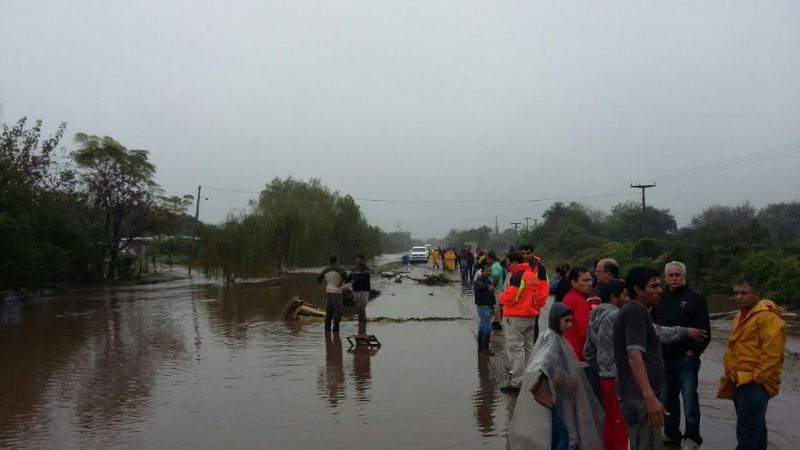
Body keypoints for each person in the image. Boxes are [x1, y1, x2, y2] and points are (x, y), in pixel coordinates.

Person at [585, 279, 707, 450]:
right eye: (625, 295)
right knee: (624, 432)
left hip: (605, 378)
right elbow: (656, 333)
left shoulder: (595, 316)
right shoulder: (620, 315)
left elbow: (589, 352)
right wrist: (685, 331)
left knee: (611, 425)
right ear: (614, 298)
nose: (628, 299)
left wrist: (602, 368)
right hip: (621, 380)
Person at [508, 302, 604, 450]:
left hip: (557, 394)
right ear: (556, 319)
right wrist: (562, 376)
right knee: (568, 435)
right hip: (559, 395)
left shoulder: (552, 337)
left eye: (571, 321)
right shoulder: (554, 340)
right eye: (566, 321)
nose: (570, 325)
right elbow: (544, 363)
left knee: (557, 433)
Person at [718, 278, 786, 450]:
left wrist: (756, 378)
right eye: (736, 293)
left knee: (746, 432)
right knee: (756, 428)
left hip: (753, 382)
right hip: (739, 380)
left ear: (756, 295)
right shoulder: (740, 315)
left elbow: (773, 354)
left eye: (744, 293)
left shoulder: (767, 317)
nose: (739, 297)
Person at [651, 261, 711, 450]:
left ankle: (692, 438)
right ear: (665, 277)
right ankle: (671, 433)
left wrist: (693, 351)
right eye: (671, 275)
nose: (674, 278)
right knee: (667, 398)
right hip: (664, 357)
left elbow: (704, 331)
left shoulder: (695, 298)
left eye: (678, 274)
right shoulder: (659, 297)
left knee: (689, 399)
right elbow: (653, 328)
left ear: (684, 276)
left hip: (686, 358)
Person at [613, 267, 667, 450]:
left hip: (638, 396)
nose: (660, 290)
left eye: (660, 285)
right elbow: (634, 355)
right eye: (654, 286)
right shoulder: (635, 313)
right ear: (637, 289)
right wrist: (649, 397)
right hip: (639, 398)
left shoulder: (637, 312)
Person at [497, 251, 538, 393]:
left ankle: (517, 382)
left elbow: (510, 298)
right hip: (530, 316)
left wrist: (501, 296)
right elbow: (538, 296)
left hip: (516, 317)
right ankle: (530, 378)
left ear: (515, 262)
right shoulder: (532, 275)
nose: (508, 267)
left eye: (509, 264)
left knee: (516, 349)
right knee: (528, 348)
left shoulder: (517, 277)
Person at [561, 267, 593, 362]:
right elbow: (586, 332)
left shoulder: (569, 297)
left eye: (590, 280)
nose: (590, 283)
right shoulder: (580, 302)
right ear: (573, 283)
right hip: (578, 355)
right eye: (585, 280)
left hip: (567, 350)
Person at [519, 244, 549, 342]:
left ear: (532, 253)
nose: (525, 256)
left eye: (528, 253)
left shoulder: (540, 267)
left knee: (533, 329)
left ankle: (534, 347)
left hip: (534, 304)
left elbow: (544, 287)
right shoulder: (516, 265)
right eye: (523, 253)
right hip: (519, 304)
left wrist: (537, 304)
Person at [316, 256, 348, 333]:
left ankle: (327, 330)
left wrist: (323, 286)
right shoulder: (339, 269)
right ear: (337, 261)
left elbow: (318, 279)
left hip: (328, 291)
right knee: (337, 311)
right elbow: (345, 276)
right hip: (337, 292)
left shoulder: (326, 270)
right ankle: (336, 329)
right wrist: (341, 283)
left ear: (330, 261)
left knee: (329, 312)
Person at [473, 264, 496, 355]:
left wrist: (492, 306)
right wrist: (488, 287)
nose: (488, 272)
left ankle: (481, 348)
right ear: (482, 271)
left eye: (490, 271)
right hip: (483, 306)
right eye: (487, 271)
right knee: (487, 327)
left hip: (487, 306)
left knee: (482, 326)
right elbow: (480, 287)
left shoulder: (487, 280)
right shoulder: (480, 280)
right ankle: (485, 349)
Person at [345, 254, 371, 328]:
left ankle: (363, 323)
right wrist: (343, 282)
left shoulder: (366, 268)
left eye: (358, 260)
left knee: (362, 307)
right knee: (358, 307)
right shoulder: (355, 268)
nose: (357, 261)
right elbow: (349, 277)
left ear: (363, 260)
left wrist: (355, 280)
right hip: (356, 290)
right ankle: (361, 323)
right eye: (356, 260)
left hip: (364, 290)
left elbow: (365, 277)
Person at [487, 251, 507, 331]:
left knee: (495, 306)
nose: (487, 261)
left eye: (488, 259)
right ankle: (498, 322)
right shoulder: (498, 265)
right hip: (499, 288)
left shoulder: (495, 266)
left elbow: (496, 277)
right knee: (499, 306)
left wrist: (492, 286)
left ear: (491, 258)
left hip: (496, 288)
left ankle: (496, 323)